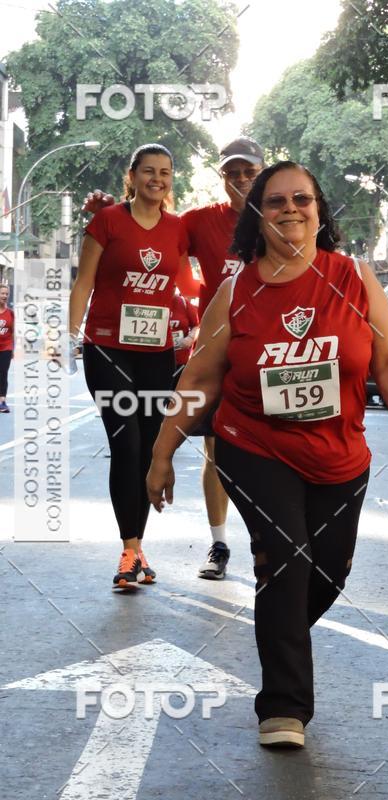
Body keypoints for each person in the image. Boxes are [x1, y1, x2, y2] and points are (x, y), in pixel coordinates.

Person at [146, 161, 388, 747]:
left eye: (302, 199)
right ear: (258, 217)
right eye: (276, 202)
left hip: (340, 455)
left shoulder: (355, 277)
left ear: (319, 210)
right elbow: (201, 377)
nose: (290, 209)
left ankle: (278, 625)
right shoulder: (236, 291)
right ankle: (284, 708)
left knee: (327, 573)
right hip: (254, 446)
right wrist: (162, 454)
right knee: (286, 561)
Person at [83, 136, 265, 580]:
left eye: (250, 172)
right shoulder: (198, 222)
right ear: (221, 177)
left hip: (271, 354)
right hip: (215, 354)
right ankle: (217, 545)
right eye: (232, 172)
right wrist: (110, 210)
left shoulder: (283, 217)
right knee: (213, 449)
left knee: (269, 450)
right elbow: (145, 223)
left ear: (263, 174)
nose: (241, 179)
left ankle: (269, 543)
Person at [70, 143, 199, 589]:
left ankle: (137, 548)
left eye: (165, 172)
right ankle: (129, 551)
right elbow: (84, 280)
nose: (157, 179)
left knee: (147, 449)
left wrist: (202, 323)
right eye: (148, 171)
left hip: (157, 354)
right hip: (107, 348)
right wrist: (70, 335)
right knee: (124, 443)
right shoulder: (107, 221)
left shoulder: (178, 229)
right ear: (131, 176)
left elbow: (185, 284)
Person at [169, 291, 199, 384]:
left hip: (180, 361)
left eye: (174, 285)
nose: (172, 287)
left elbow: (197, 326)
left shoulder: (183, 302)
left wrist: (190, 338)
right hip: (155, 360)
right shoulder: (153, 300)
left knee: (175, 391)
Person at [0, 283, 14, 413]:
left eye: (6, 294)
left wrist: (14, 349)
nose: (4, 296)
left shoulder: (11, 314)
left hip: (6, 348)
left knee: (3, 373)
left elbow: (14, 332)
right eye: (2, 293)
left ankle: (2, 402)